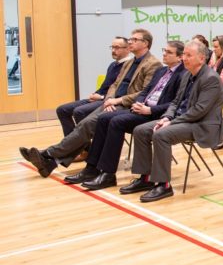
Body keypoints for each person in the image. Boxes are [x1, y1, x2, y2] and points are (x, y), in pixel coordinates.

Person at [23, 29, 161, 177]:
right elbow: (115, 84)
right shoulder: (130, 62)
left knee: (87, 125)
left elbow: (144, 93)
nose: (130, 42)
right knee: (83, 125)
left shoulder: (153, 64)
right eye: (130, 39)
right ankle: (51, 161)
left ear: (145, 43)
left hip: (126, 105)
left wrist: (118, 100)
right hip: (112, 102)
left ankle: (48, 154)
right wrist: (109, 99)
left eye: (134, 39)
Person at [69, 41, 186, 190]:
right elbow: (145, 91)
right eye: (164, 50)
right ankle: (92, 168)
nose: (164, 53)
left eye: (169, 52)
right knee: (104, 117)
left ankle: (108, 174)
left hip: (157, 114)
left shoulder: (183, 75)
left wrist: (149, 110)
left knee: (116, 122)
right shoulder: (161, 71)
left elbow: (174, 103)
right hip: (141, 108)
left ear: (179, 57)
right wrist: (138, 103)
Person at [121, 40, 223, 203]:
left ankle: (164, 185)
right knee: (141, 130)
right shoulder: (187, 74)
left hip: (201, 125)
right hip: (182, 120)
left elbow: (199, 111)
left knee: (161, 135)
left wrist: (172, 122)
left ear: (202, 58)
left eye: (189, 55)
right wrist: (167, 117)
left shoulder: (211, 79)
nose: (184, 58)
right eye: (184, 54)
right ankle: (145, 178)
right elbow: (175, 102)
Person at [56, 36, 130, 136]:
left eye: (117, 47)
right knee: (62, 110)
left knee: (79, 111)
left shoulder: (130, 66)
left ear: (128, 49)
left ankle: (83, 147)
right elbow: (106, 86)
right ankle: (76, 147)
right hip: (98, 97)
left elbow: (122, 91)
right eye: (112, 47)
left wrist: (101, 97)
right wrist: (96, 93)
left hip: (109, 100)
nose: (113, 50)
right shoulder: (112, 65)